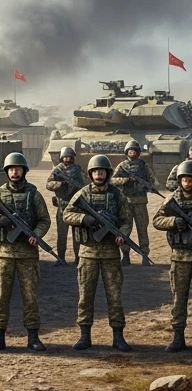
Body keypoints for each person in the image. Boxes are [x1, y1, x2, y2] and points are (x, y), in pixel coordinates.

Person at [0, 152, 51, 352]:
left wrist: (36, 235)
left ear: (24, 171)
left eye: (18, 168)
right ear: (7, 171)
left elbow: (44, 219)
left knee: (30, 296)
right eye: (11, 169)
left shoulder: (33, 194)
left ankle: (33, 337)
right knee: (1, 297)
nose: (14, 172)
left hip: (27, 254)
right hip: (3, 254)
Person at [63, 154, 133, 351]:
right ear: (91, 174)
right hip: (88, 253)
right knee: (85, 296)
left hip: (111, 253)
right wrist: (85, 219)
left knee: (115, 296)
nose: (99, 175)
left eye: (102, 171)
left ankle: (118, 336)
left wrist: (123, 235)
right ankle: (85, 336)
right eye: (95, 172)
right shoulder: (83, 194)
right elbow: (67, 213)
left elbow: (127, 219)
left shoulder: (118, 195)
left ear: (107, 173)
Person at [152, 160, 192, 352]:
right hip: (180, 257)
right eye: (184, 179)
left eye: (190, 179)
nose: (187, 183)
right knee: (179, 298)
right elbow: (157, 220)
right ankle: (178, 337)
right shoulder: (173, 199)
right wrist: (175, 221)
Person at [112, 139, 156, 265]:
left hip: (140, 202)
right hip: (125, 202)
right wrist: (126, 180)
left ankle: (144, 254)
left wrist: (146, 186)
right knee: (125, 229)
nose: (132, 153)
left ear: (138, 152)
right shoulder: (122, 166)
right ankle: (125, 255)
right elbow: (113, 180)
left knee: (142, 229)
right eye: (130, 151)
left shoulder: (143, 165)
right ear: (127, 152)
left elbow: (152, 180)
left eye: (134, 151)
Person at [45, 146, 84, 263]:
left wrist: (76, 186)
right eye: (65, 157)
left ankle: (78, 257)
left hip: (76, 206)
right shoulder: (57, 170)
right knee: (62, 234)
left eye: (69, 157)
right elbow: (48, 184)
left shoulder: (78, 169)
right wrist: (61, 184)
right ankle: (61, 257)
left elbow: (85, 183)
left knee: (77, 233)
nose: (67, 159)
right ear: (62, 158)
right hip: (62, 205)